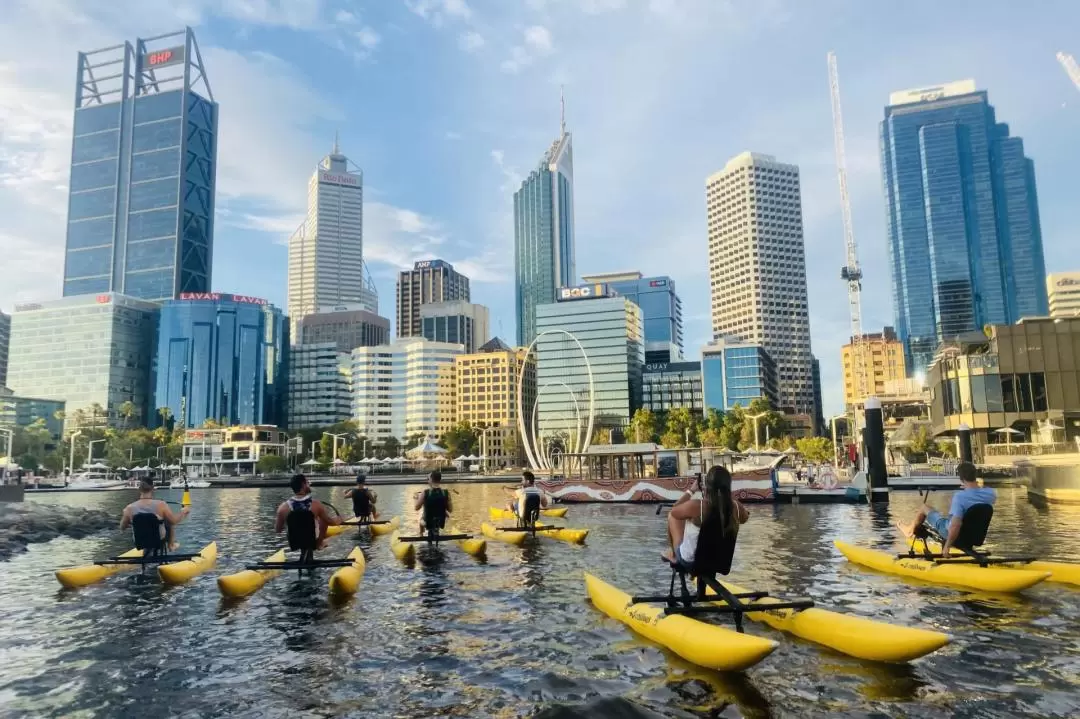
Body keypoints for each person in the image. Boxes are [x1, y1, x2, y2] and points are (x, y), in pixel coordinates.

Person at [895, 461, 995, 557]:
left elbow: (956, 525)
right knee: (951, 513)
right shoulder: (990, 493)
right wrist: (963, 494)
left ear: (961, 478)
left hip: (954, 534)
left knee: (924, 508)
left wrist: (947, 546)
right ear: (975, 475)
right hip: (975, 537)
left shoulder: (959, 497)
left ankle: (909, 530)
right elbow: (976, 503)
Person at [662, 466, 749, 568]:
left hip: (692, 562)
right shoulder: (736, 507)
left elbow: (674, 511)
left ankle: (675, 555)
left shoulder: (697, 506)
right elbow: (745, 517)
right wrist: (729, 498)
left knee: (673, 517)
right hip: (720, 562)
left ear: (707, 485)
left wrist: (691, 491)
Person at [275, 474, 341, 551]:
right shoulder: (316, 504)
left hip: (293, 543)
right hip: (312, 542)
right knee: (323, 519)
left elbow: (278, 530)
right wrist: (338, 520)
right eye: (308, 482)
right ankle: (319, 543)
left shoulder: (282, 508)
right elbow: (330, 522)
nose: (309, 484)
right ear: (303, 485)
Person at [120, 479, 189, 551]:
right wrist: (183, 512)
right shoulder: (161, 504)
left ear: (139, 489)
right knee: (169, 522)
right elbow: (174, 521)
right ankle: (171, 545)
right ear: (153, 489)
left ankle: (146, 549)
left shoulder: (129, 508)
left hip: (139, 541)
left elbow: (122, 527)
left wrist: (129, 518)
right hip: (159, 539)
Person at [414, 470, 453, 535]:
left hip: (427, 521)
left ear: (431, 479)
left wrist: (416, 498)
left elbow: (416, 508)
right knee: (445, 513)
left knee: (421, 520)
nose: (427, 481)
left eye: (428, 479)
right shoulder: (446, 493)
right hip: (441, 522)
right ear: (439, 480)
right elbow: (450, 510)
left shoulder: (425, 492)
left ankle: (421, 534)